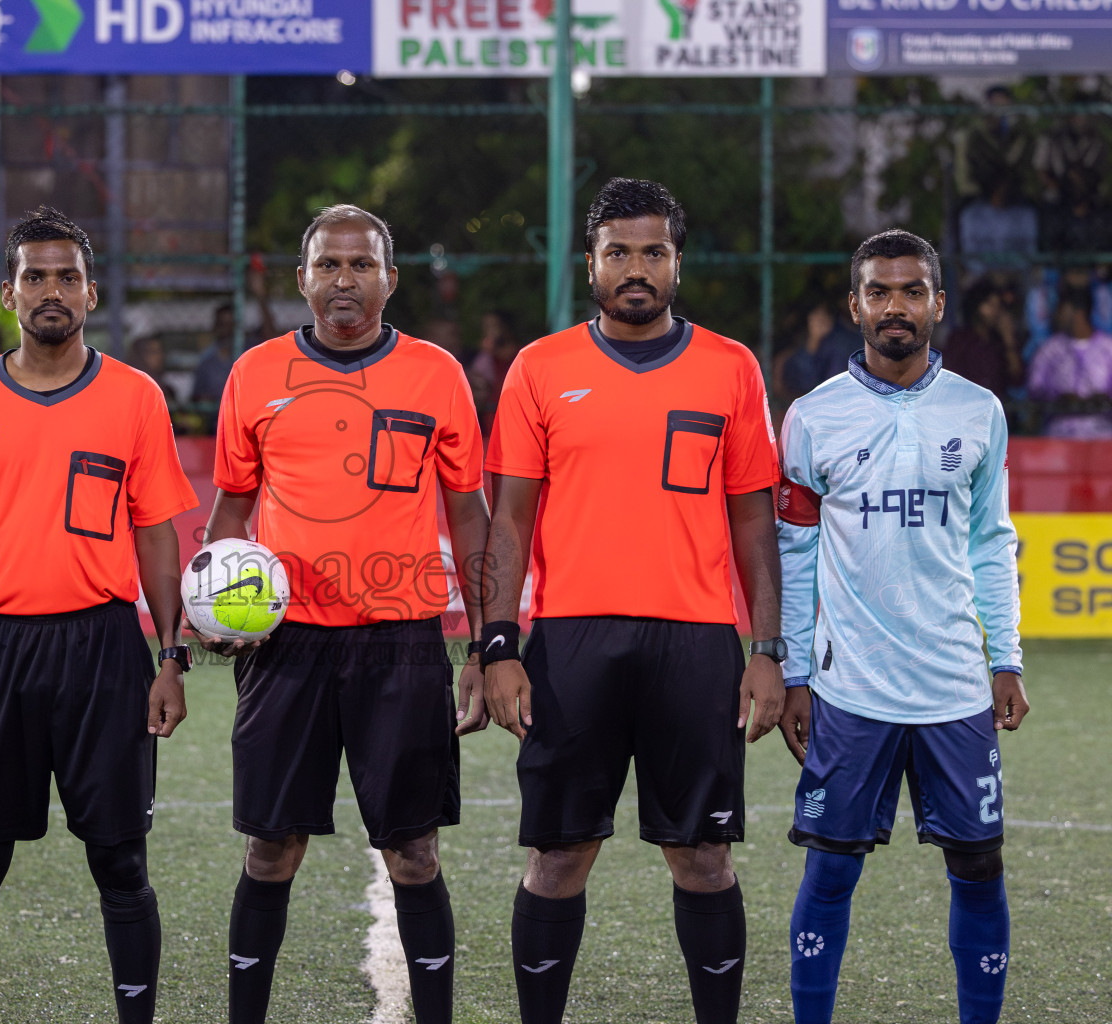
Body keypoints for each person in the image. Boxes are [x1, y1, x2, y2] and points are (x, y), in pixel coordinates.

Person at [480, 177, 785, 1024]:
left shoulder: (731, 367)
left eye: (654, 251)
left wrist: (767, 651)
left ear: (677, 261)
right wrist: (499, 644)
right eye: (620, 252)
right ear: (592, 263)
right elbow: (508, 519)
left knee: (705, 859)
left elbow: (754, 521)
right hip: (571, 642)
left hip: (697, 645)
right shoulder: (541, 368)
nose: (637, 267)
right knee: (558, 856)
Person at [0, 206, 197, 1024]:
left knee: (120, 860)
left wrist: (171, 658)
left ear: (91, 293)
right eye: (34, 275)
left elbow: (157, 539)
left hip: (104, 648)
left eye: (67, 276)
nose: (51, 290)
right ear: (9, 292)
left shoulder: (135, 398)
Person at [202, 204, 488, 1024]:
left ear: (389, 281)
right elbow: (230, 509)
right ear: (303, 280)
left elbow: (469, 514)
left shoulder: (437, 374)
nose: (344, 280)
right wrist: (209, 606)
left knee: (413, 851)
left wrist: (484, 638)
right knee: (270, 847)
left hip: (404, 643)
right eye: (328, 265)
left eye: (361, 265)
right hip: (285, 646)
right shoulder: (255, 374)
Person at [777, 229, 1028, 1024]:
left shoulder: (979, 411)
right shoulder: (815, 417)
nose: (896, 306)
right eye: (879, 292)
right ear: (855, 306)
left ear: (937, 304)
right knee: (830, 871)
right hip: (851, 689)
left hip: (955, 687)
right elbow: (796, 553)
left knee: (979, 866)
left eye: (912, 291)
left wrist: (1007, 659)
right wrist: (791, 673)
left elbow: (993, 542)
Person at [1026, 288, 1112, 438]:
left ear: (1078, 313)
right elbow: (1034, 390)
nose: (1057, 315)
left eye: (1062, 309)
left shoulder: (1108, 349)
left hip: (1103, 435)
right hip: (1059, 436)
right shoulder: (1049, 350)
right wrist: (1058, 398)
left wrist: (1104, 399)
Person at [940, 280, 1024, 404]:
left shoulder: (998, 343)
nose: (996, 312)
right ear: (976, 306)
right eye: (990, 305)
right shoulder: (960, 340)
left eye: (998, 306)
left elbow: (1016, 379)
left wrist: (1008, 339)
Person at [773, 303, 861, 403]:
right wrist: (814, 340)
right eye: (815, 318)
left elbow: (832, 387)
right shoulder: (794, 350)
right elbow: (799, 382)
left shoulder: (839, 344)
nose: (819, 322)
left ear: (831, 321)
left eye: (823, 317)